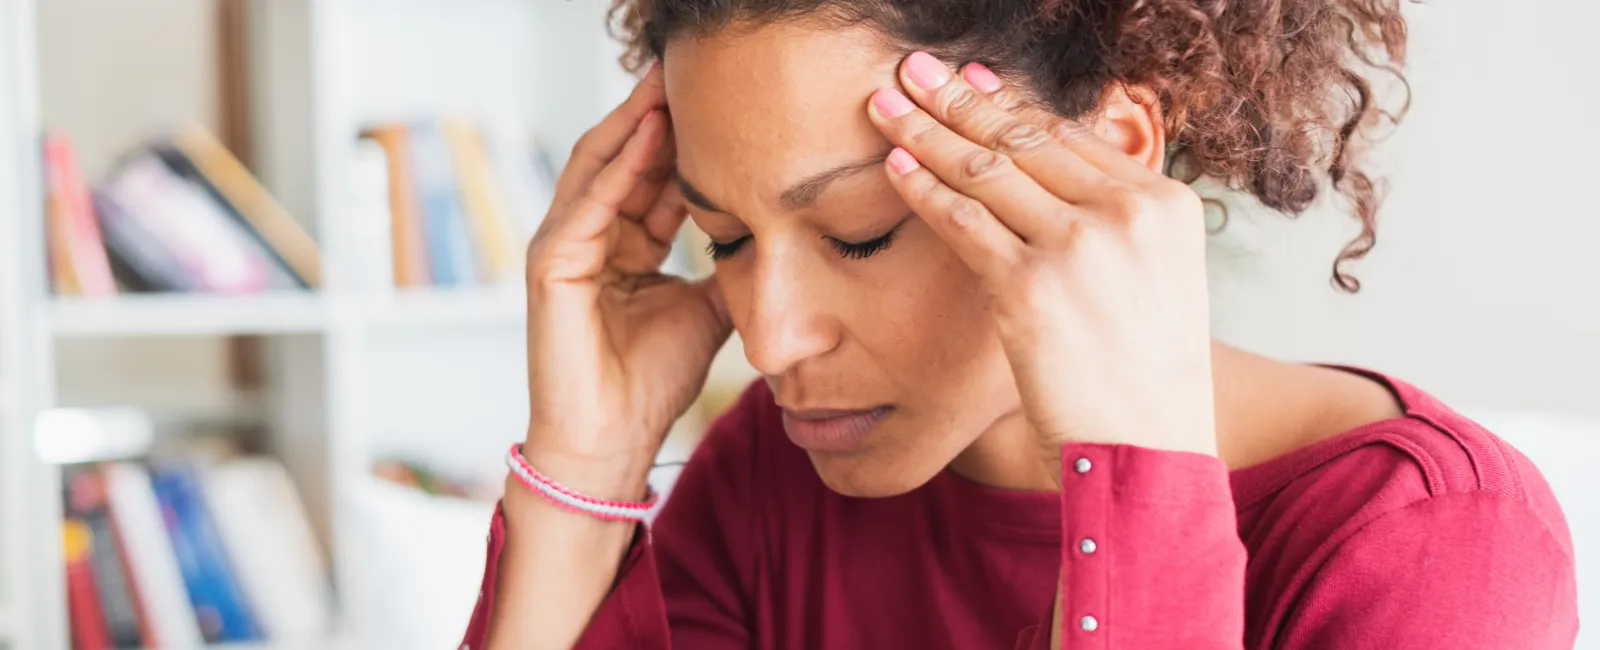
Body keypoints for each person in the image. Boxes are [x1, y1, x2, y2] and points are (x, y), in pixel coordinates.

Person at [460, 1, 1579, 648]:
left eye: (858, 233)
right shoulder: (773, 473)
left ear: (1113, 157)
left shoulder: (1422, 538)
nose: (770, 338)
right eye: (726, 241)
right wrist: (581, 468)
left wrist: (1134, 482)